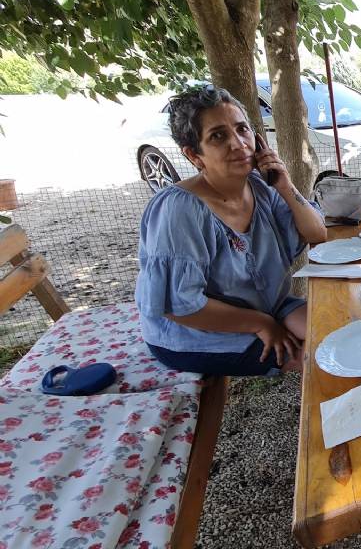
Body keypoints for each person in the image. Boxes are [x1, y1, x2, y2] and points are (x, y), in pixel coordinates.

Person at [135, 85, 327, 376]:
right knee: (317, 359)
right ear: (194, 155)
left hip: (266, 306)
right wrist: (261, 324)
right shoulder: (181, 210)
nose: (238, 143)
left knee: (333, 329)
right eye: (218, 136)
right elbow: (179, 306)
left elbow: (317, 234)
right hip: (196, 333)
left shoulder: (261, 187)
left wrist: (285, 186)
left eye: (242, 129)